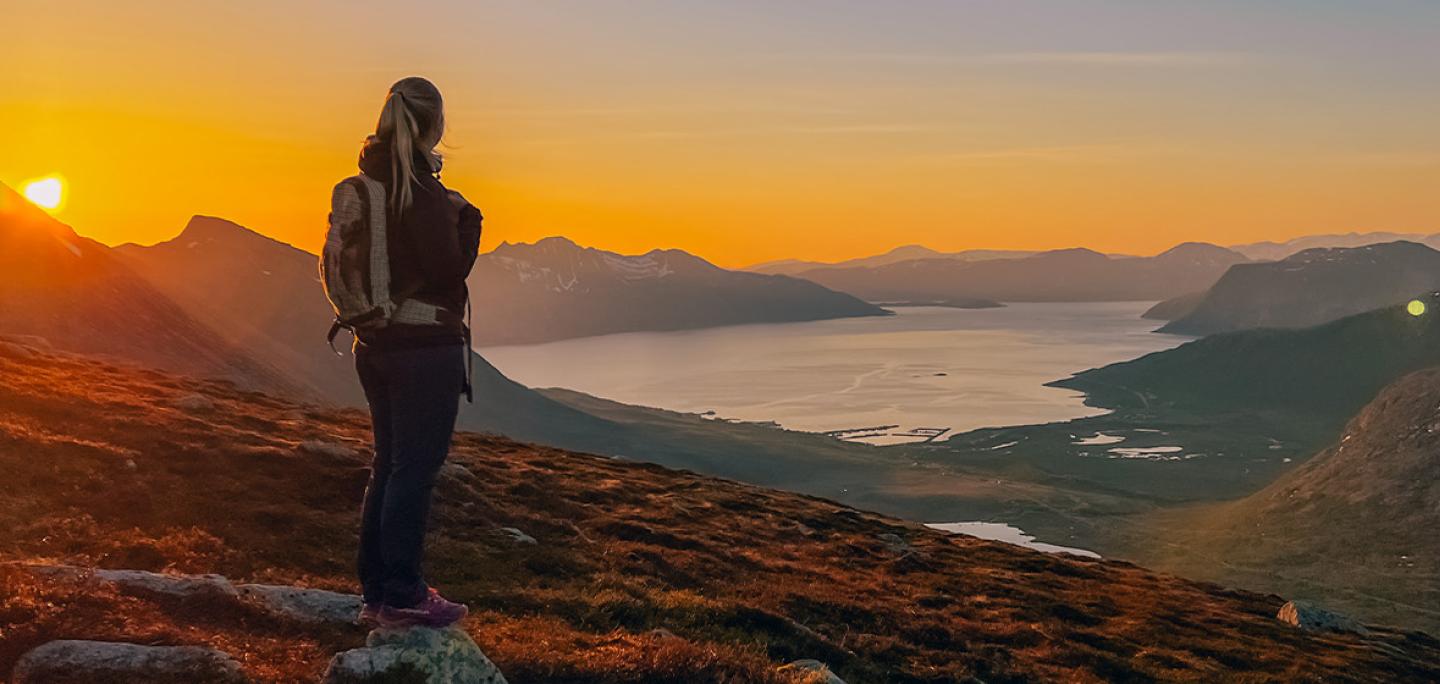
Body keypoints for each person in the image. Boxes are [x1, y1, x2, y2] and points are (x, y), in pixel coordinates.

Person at [334, 77, 482, 628]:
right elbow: (447, 272)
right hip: (425, 349)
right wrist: (469, 222)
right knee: (413, 471)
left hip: (374, 344)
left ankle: (378, 590)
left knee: (389, 466)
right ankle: (403, 592)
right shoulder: (418, 189)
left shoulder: (372, 180)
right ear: (434, 124)